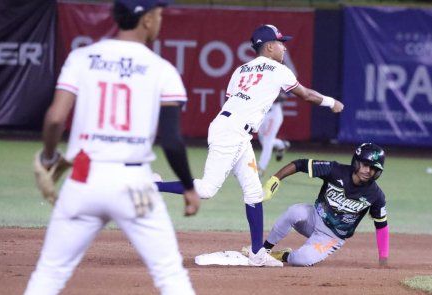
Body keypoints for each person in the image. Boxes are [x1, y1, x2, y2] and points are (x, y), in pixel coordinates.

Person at [24, 1, 199, 294]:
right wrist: (188, 188)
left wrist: (49, 157)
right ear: (145, 19)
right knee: (170, 275)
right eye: (158, 14)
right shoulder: (162, 69)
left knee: (49, 274)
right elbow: (171, 141)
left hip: (83, 180)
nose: (160, 20)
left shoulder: (82, 57)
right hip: (135, 185)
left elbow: (55, 118)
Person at [155, 24, 344, 267]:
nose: (284, 46)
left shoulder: (240, 70)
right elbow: (305, 95)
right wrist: (331, 102)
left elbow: (233, 101)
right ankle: (153, 185)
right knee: (206, 190)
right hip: (232, 133)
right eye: (280, 42)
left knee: (254, 193)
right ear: (269, 46)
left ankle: (257, 253)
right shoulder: (278, 69)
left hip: (234, 131)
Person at [259, 143, 389, 267]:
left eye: (374, 168)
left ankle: (282, 255)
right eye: (365, 164)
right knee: (294, 212)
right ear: (356, 161)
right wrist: (275, 179)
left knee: (303, 260)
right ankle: (263, 250)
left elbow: (381, 226)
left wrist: (383, 258)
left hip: (332, 237)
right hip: (314, 218)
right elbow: (300, 164)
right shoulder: (335, 170)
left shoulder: (376, 195)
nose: (368, 170)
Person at [257, 91, 291, 178]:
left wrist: (274, 93)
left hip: (273, 114)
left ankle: (261, 168)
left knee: (267, 141)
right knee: (263, 140)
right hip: (263, 112)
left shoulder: (281, 79)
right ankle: (281, 144)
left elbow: (284, 96)